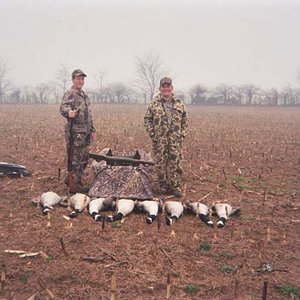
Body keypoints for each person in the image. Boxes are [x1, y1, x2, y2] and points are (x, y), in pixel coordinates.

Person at [144, 77, 187, 197]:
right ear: (160, 88)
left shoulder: (179, 103)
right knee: (160, 163)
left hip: (175, 140)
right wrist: (153, 134)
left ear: (172, 88)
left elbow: (184, 120)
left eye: (168, 86)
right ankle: (162, 186)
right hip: (160, 140)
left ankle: (175, 186)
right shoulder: (154, 104)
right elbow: (147, 120)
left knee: (175, 162)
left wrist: (182, 134)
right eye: (164, 86)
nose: (166, 88)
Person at [60, 69, 96, 192]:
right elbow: (63, 107)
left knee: (85, 158)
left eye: (82, 79)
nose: (80, 81)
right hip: (75, 134)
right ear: (73, 80)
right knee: (75, 160)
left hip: (85, 133)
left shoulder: (84, 95)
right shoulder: (71, 93)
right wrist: (68, 112)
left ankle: (72, 178)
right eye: (78, 79)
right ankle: (74, 186)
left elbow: (88, 115)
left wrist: (93, 129)